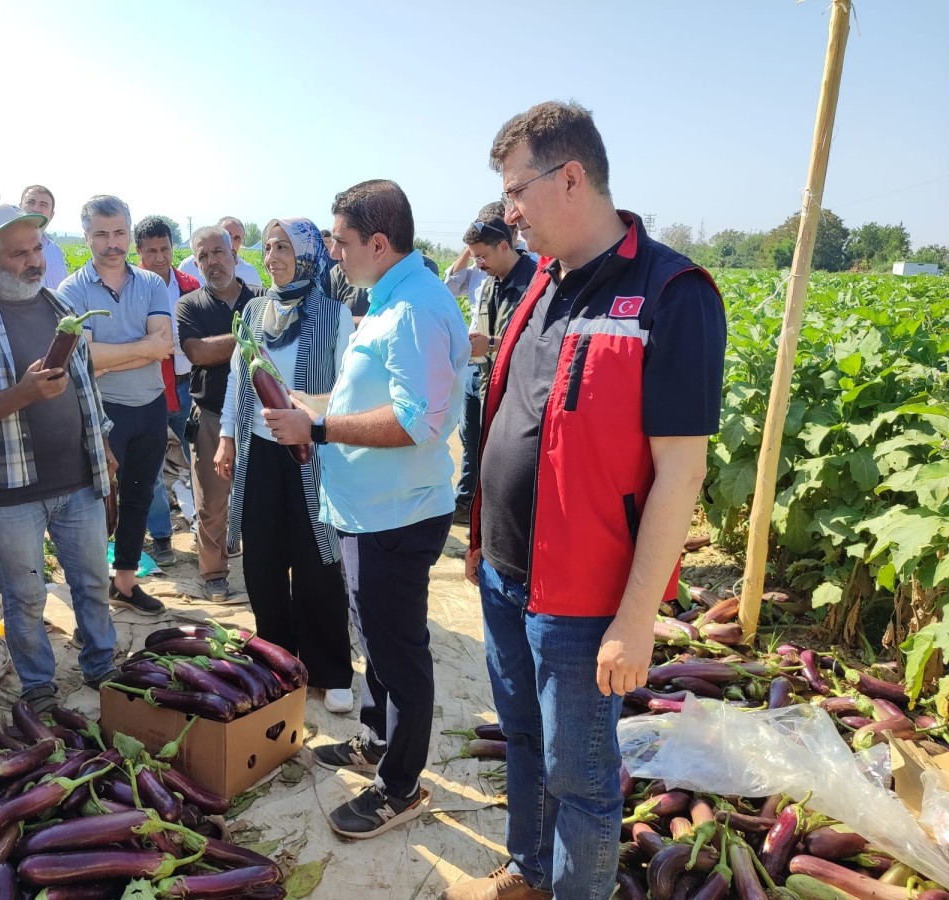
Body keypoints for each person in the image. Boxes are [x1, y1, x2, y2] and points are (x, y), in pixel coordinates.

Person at [448, 102, 726, 900]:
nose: (509, 212)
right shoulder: (541, 286)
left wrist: (635, 619)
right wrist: (479, 538)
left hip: (582, 598)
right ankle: (530, 872)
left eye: (515, 192)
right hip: (507, 573)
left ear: (570, 177)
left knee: (584, 778)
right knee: (527, 743)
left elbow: (682, 473)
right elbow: (512, 415)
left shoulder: (672, 293)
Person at [263, 180, 470, 839]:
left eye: (342, 243)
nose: (333, 254)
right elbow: (377, 399)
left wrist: (318, 432)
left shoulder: (411, 309)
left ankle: (401, 785)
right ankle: (377, 741)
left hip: (397, 514)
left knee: (398, 651)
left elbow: (419, 422)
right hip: (370, 510)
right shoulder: (390, 298)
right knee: (375, 640)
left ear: (378, 244)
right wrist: (316, 407)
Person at [0, 202, 122, 713]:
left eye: (36, 249)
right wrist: (22, 393)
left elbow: (85, 389)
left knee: (90, 581)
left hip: (78, 479)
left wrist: (102, 445)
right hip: (10, 491)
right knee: (25, 596)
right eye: (18, 254)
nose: (33, 262)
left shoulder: (60, 309)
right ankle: (38, 683)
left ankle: (101, 664)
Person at [215, 217, 355, 714]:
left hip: (310, 453)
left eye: (284, 247)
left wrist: (314, 422)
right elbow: (238, 379)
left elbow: (345, 389)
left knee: (318, 560)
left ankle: (332, 669)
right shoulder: (253, 311)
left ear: (309, 254)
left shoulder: (334, 314)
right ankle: (276, 659)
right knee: (263, 562)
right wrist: (227, 437)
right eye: (269, 246)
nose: (273, 256)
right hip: (260, 454)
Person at [58, 196, 174, 614]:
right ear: (87, 236)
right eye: (102, 234)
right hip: (101, 411)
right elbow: (83, 357)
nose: (112, 243)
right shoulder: (71, 290)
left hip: (151, 405)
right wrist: (142, 348)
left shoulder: (152, 284)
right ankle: (89, 594)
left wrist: (108, 356)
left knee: (139, 496)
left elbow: (165, 345)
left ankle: (125, 583)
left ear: (129, 233)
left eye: (120, 233)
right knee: (92, 504)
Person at [175, 226, 262, 602]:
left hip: (261, 417)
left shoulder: (261, 298)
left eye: (218, 252)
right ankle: (214, 572)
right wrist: (249, 336)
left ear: (233, 255)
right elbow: (198, 353)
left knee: (262, 498)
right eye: (203, 256)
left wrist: (234, 339)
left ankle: (263, 569)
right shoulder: (189, 305)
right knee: (212, 500)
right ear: (196, 264)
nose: (212, 261)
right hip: (211, 415)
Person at [447, 215, 537, 524]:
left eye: (482, 256)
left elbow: (544, 341)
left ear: (504, 246)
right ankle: (472, 508)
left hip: (516, 390)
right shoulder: (488, 284)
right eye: (475, 258)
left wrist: (494, 343)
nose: (479, 264)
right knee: (473, 445)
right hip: (481, 378)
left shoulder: (538, 284)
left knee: (507, 459)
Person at [135, 215, 201, 566]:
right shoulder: (133, 288)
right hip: (148, 388)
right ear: (139, 252)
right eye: (152, 251)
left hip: (188, 386)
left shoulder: (190, 284)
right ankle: (161, 536)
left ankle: (210, 531)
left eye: (165, 249)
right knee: (150, 466)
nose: (160, 258)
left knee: (201, 460)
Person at [178, 216, 263, 288]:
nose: (231, 242)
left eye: (237, 238)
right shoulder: (187, 267)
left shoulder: (250, 272)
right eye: (227, 235)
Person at [20, 185, 68, 290]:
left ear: (51, 215)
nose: (36, 209)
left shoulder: (55, 250)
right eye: (30, 202)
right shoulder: (7, 249)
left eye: (43, 205)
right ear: (20, 207)